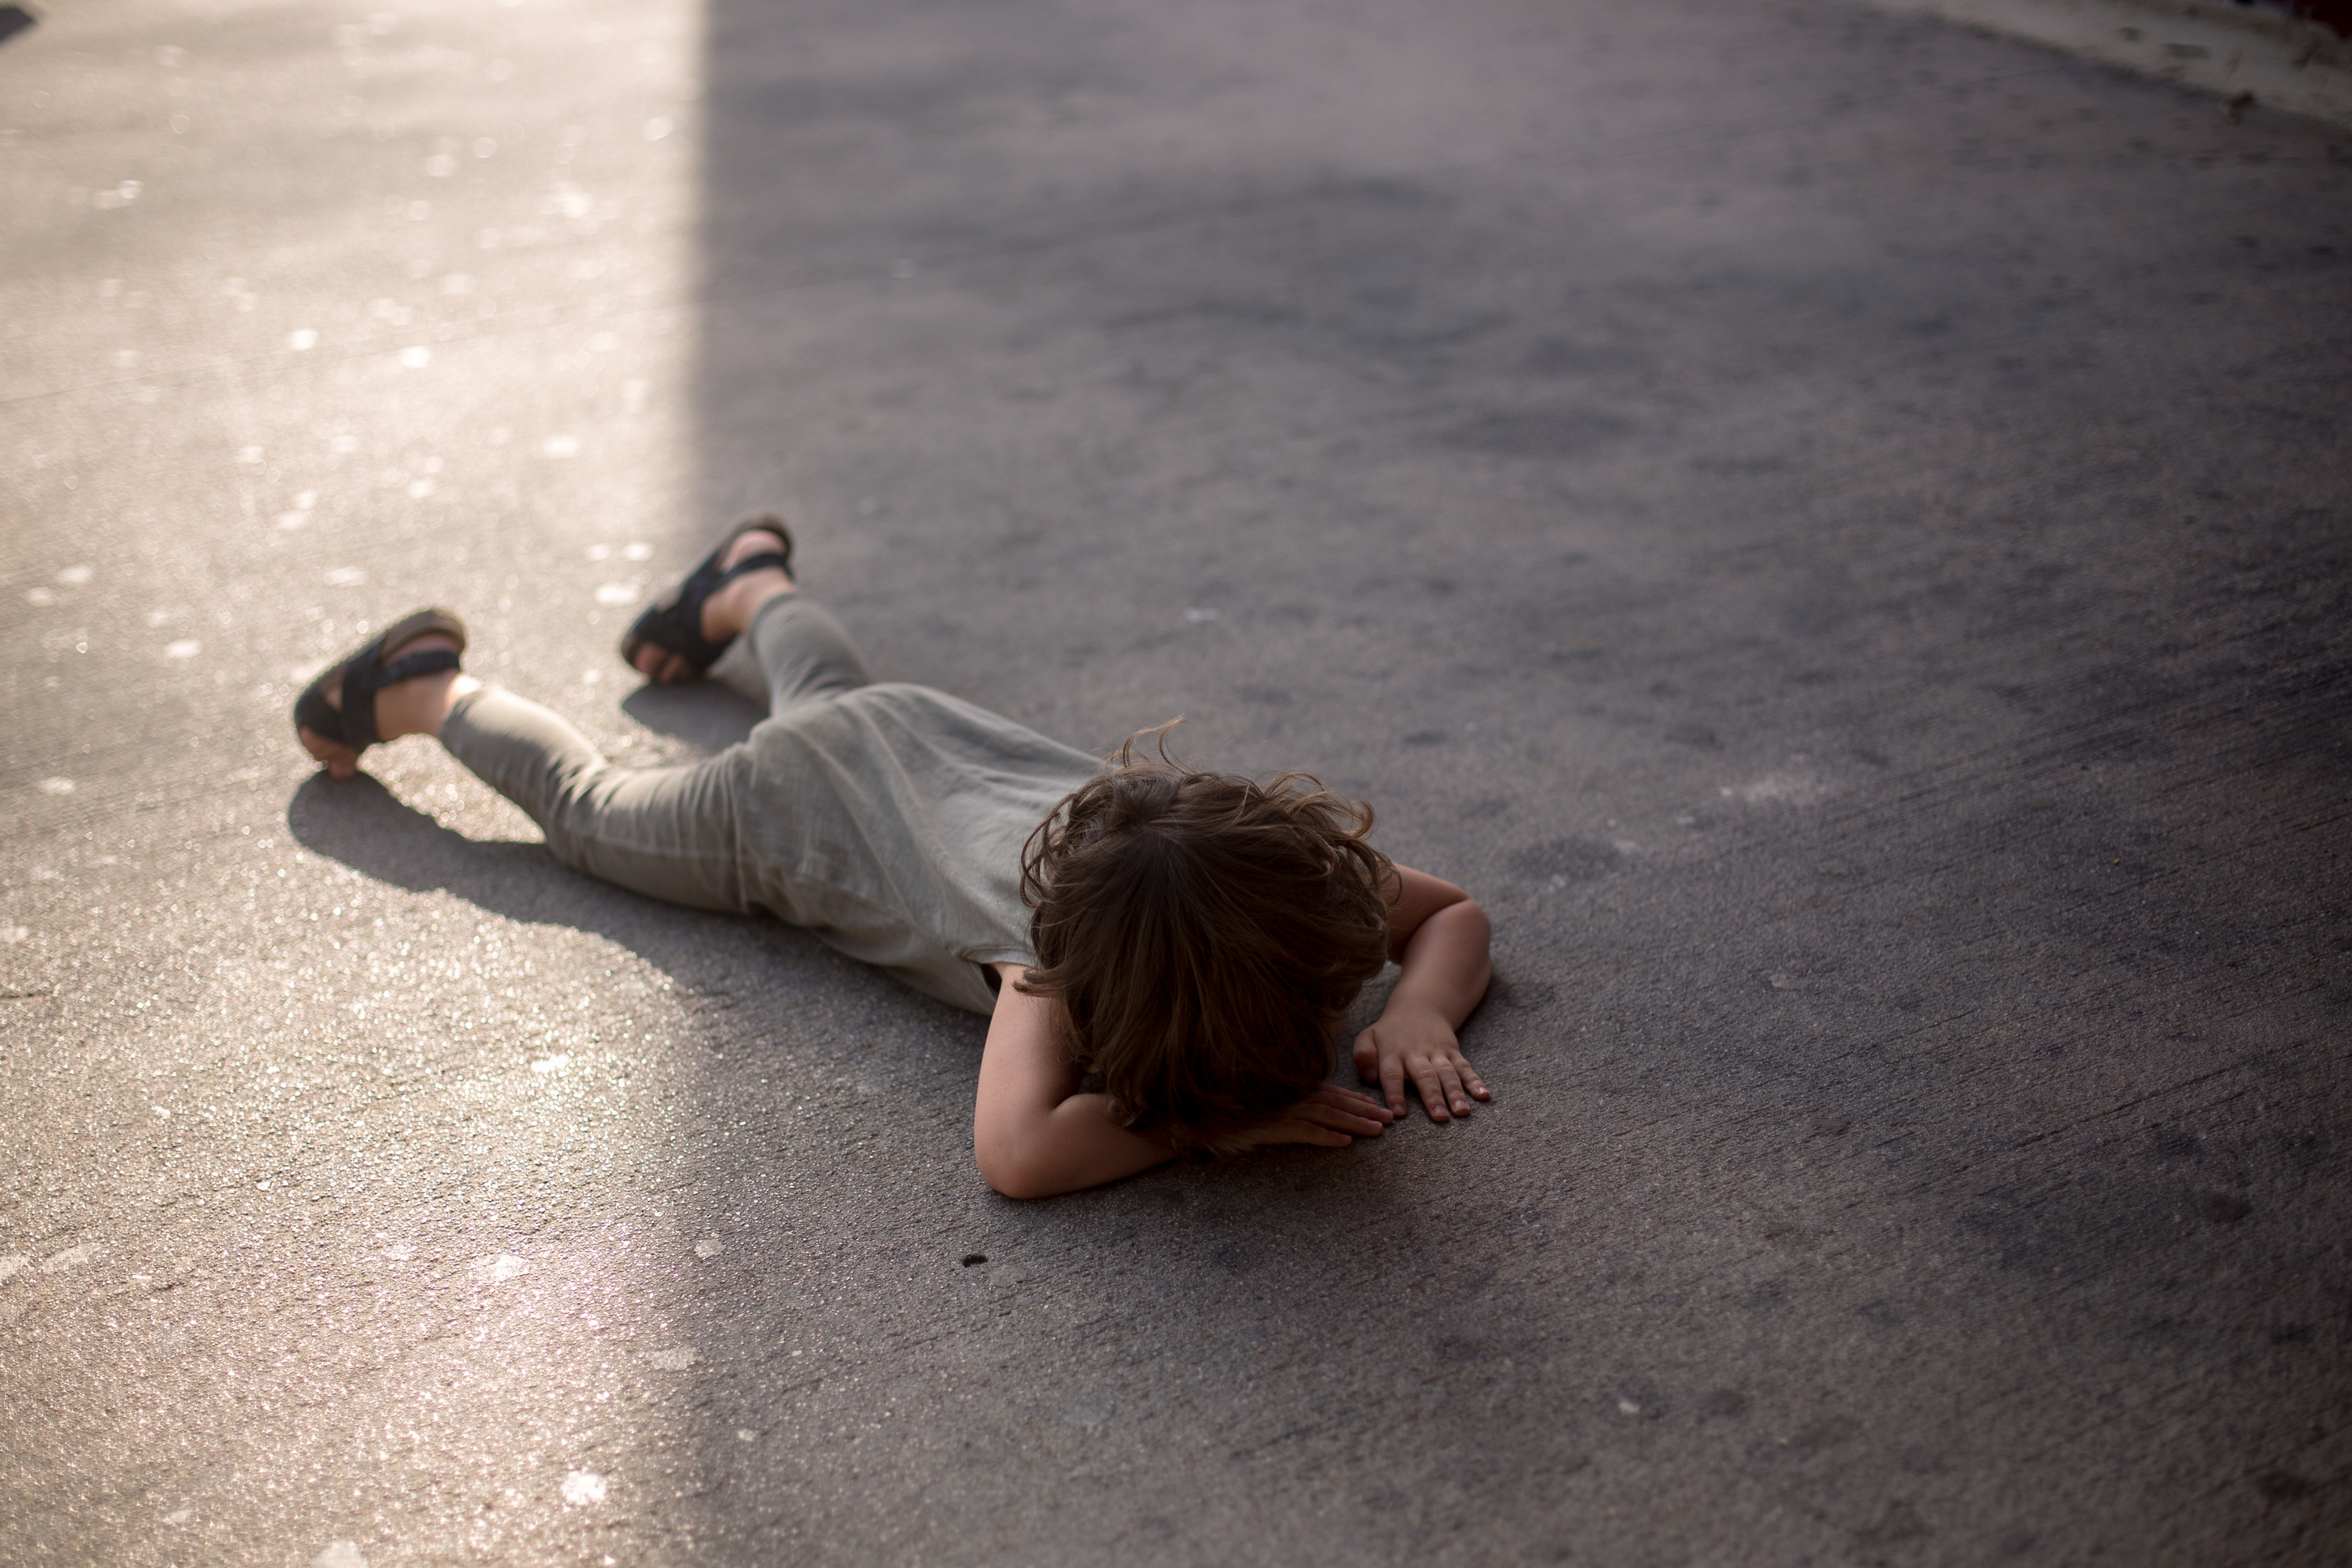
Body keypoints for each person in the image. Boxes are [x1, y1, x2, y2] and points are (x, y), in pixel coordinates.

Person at [293, 517, 1493, 1197]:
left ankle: (749, 583)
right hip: (789, 813)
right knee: (592, 810)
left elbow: (1452, 920)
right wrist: (1206, 1130)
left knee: (835, 692)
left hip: (917, 729)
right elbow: (1018, 1155)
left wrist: (1427, 1009)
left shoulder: (1293, 880)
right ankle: (421, 689)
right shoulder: (1048, 968)